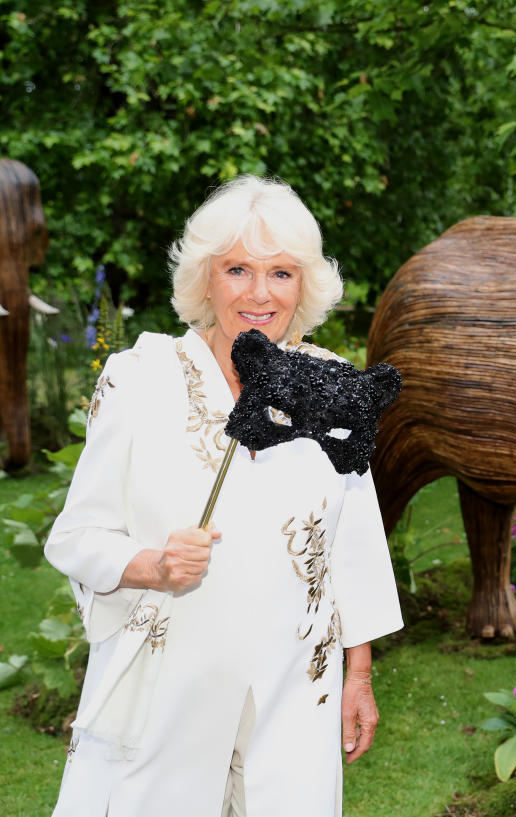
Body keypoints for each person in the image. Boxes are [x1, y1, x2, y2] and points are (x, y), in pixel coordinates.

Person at [45, 176, 403, 817]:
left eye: (282, 273)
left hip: (295, 689)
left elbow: (356, 545)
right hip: (167, 693)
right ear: (205, 279)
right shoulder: (140, 380)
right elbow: (76, 537)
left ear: (306, 284)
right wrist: (153, 565)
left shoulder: (333, 388)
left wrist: (360, 674)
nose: (260, 294)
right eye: (238, 269)